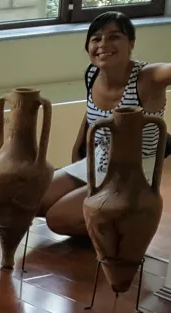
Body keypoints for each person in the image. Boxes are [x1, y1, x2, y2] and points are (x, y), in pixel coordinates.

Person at [37, 11, 171, 237]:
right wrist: (79, 150)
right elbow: (90, 114)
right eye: (96, 38)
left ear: (131, 44)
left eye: (114, 37)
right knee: (33, 201)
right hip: (100, 159)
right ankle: (103, 216)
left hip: (134, 171)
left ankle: (125, 224)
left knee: (57, 220)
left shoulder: (148, 77)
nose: (103, 44)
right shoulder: (92, 73)